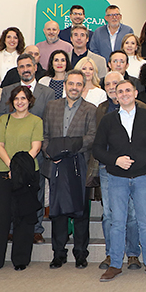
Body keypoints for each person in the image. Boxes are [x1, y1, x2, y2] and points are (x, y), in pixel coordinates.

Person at [93, 80, 146, 281]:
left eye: (128, 90)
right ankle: (115, 264)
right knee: (117, 222)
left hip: (143, 177)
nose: (124, 94)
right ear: (116, 96)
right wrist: (115, 160)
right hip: (117, 178)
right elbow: (97, 149)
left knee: (145, 222)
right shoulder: (108, 120)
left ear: (135, 93)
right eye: (120, 91)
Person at [42, 70, 97, 269]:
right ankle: (58, 253)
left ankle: (81, 253)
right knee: (57, 212)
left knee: (80, 213)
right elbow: (45, 135)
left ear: (83, 86)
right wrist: (50, 152)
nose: (74, 87)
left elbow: (92, 137)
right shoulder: (52, 106)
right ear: (65, 85)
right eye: (71, 83)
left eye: (78, 84)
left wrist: (67, 148)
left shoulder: (91, 109)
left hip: (78, 164)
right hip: (56, 164)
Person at [0, 86, 43, 272]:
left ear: (30, 101)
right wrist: (13, 167)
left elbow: (35, 148)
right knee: (1, 216)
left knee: (24, 216)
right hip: (4, 173)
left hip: (28, 175)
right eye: (16, 98)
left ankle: (20, 259)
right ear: (12, 102)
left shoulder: (36, 121)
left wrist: (19, 170)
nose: (20, 102)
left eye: (23, 98)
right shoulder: (3, 120)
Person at [95, 71, 144, 270]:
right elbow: (97, 144)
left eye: (117, 84)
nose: (114, 89)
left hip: (134, 169)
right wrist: (114, 160)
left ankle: (132, 254)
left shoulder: (142, 110)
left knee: (132, 214)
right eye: (109, 84)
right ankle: (111, 254)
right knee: (109, 214)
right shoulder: (101, 110)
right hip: (108, 168)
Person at [0, 53, 56, 118]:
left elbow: (49, 118)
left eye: (28, 66)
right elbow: (1, 116)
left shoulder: (48, 93)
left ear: (35, 68)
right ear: (18, 70)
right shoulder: (7, 91)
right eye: (22, 67)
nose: (25, 70)